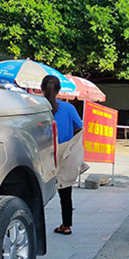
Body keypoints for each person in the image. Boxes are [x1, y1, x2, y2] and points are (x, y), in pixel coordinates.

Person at [41, 75, 84, 235]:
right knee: (65, 192)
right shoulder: (69, 109)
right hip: (64, 155)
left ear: (42, 89)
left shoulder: (37, 108)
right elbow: (79, 128)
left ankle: (33, 227)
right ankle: (66, 226)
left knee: (37, 192)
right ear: (59, 90)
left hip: (43, 155)